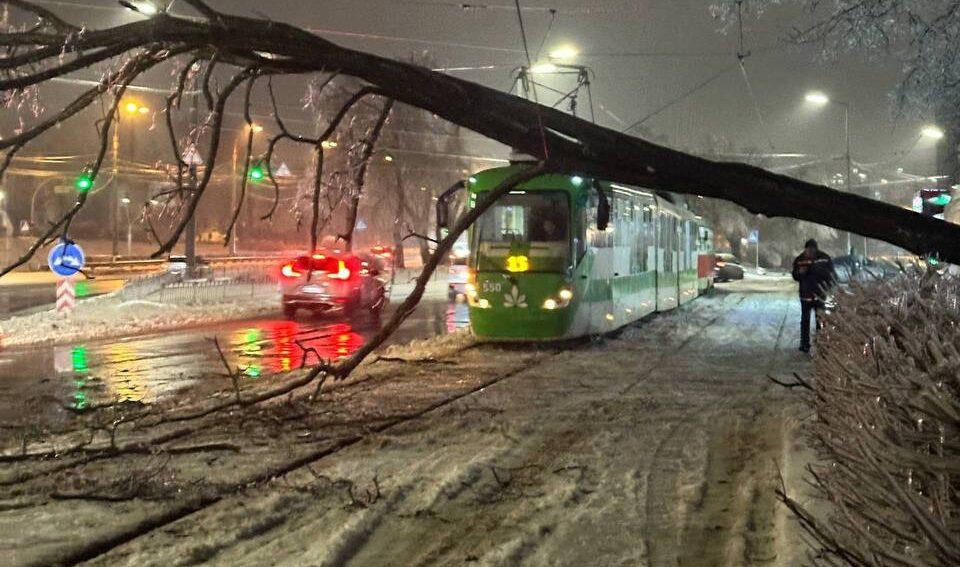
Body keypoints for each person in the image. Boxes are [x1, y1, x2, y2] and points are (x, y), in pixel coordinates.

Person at [792, 239, 835, 353]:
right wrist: (800, 273)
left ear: (816, 249)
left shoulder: (823, 259)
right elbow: (795, 275)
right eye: (808, 249)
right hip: (807, 295)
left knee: (819, 321)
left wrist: (827, 287)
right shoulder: (800, 259)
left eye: (811, 249)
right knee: (806, 320)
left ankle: (821, 344)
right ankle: (806, 344)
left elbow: (830, 275)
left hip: (819, 295)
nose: (809, 252)